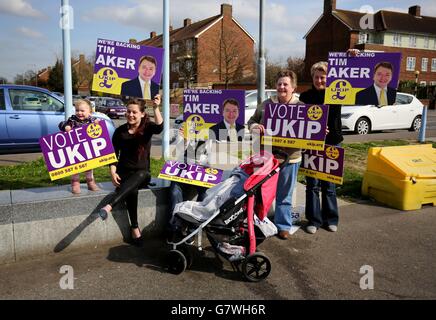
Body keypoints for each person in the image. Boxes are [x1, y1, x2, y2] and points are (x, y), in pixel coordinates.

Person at [99, 97, 163, 246]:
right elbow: (113, 155)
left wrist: (155, 108)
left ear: (142, 114)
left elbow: (160, 127)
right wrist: (113, 172)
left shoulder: (147, 127)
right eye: (128, 111)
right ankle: (135, 228)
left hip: (143, 175)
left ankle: (109, 206)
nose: (130, 115)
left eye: (134, 112)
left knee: (141, 175)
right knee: (131, 190)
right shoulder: (120, 131)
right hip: (124, 174)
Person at [247, 70, 301, 240]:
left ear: (293, 87)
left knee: (285, 194)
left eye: (285, 84)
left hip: (290, 159)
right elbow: (251, 121)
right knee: (261, 193)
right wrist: (254, 127)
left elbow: (313, 129)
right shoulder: (265, 105)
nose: (282, 87)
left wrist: (321, 131)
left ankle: (283, 225)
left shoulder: (302, 107)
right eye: (279, 84)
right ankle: (257, 222)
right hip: (267, 158)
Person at [300, 61, 342, 234]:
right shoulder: (305, 97)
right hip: (312, 144)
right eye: (316, 77)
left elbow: (355, 80)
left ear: (329, 78)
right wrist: (315, 129)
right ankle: (313, 220)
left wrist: (352, 57)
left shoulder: (338, 94)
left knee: (329, 185)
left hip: (332, 142)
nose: (319, 80)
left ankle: (330, 219)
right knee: (312, 184)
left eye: (323, 77)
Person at [167, 127, 209, 241]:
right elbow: (173, 155)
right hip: (183, 168)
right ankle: (175, 227)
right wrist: (185, 140)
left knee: (206, 195)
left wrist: (200, 162)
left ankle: (193, 230)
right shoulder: (184, 127)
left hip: (204, 170)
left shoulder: (216, 129)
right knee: (175, 192)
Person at [58, 99, 100, 194]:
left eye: (82, 111)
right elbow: (62, 124)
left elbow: (98, 129)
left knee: (89, 166)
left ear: (89, 112)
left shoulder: (92, 120)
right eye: (77, 110)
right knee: (75, 166)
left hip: (88, 148)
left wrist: (98, 124)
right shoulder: (72, 120)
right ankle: (75, 183)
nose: (79, 113)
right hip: (75, 148)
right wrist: (66, 127)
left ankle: (90, 182)